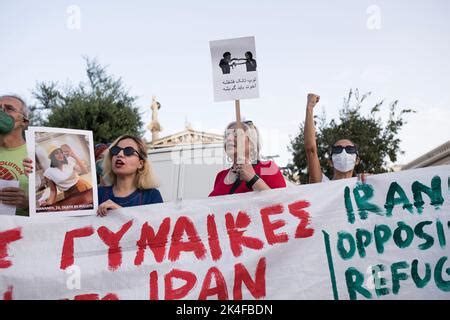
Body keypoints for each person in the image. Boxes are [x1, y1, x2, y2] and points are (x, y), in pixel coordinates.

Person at [209, 120, 286, 197]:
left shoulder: (268, 168)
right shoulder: (220, 176)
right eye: (227, 135)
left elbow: (282, 204)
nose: (228, 138)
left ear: (251, 144)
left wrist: (252, 178)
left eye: (236, 134)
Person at [304, 93, 365, 183]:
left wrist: (372, 181)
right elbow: (311, 150)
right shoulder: (322, 184)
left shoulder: (365, 185)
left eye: (350, 149)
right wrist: (309, 108)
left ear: (357, 160)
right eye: (338, 150)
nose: (344, 152)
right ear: (330, 162)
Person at [97, 135, 163, 216]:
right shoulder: (98, 194)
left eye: (128, 151)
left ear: (140, 164)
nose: (120, 154)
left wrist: (120, 212)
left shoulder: (152, 196)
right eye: (116, 150)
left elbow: (155, 227)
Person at [0, 95, 30, 216]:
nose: (2, 112)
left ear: (24, 122)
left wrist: (27, 204)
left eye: (9, 108)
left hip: (23, 232)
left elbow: (54, 207)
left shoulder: (35, 154)